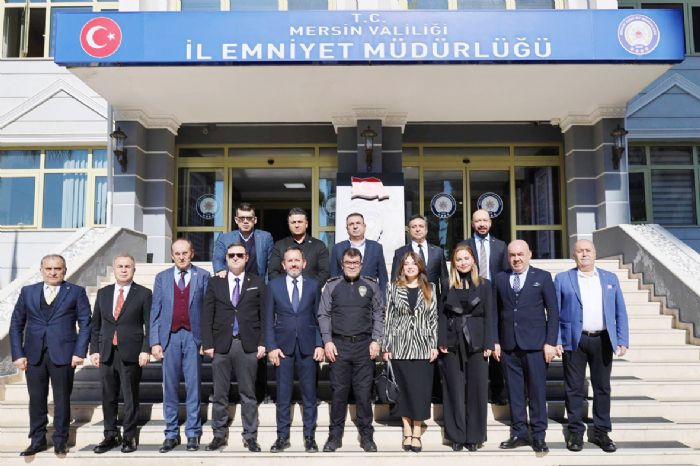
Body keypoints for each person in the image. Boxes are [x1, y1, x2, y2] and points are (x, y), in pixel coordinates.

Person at [10, 254, 91, 456]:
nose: (53, 272)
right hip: (33, 354)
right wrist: (18, 354)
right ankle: (37, 439)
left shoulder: (76, 292)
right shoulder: (28, 291)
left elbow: (85, 323)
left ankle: (60, 440)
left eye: (57, 269)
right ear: (41, 270)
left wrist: (79, 351)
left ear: (64, 270)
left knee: (62, 398)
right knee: (36, 398)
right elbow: (16, 324)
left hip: (64, 354)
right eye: (49, 269)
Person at [555, 239, 629, 453]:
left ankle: (601, 432)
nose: (584, 254)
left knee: (602, 387)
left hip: (603, 339)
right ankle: (575, 432)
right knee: (573, 387)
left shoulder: (610, 278)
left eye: (588, 250)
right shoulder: (562, 279)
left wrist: (622, 338)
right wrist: (557, 340)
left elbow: (620, 311)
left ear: (595, 254)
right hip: (574, 340)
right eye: (579, 251)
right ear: (573, 255)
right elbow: (555, 312)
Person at [493, 239, 559, 453]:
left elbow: (553, 312)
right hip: (509, 346)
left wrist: (550, 342)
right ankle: (519, 433)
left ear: (529, 254)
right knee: (514, 392)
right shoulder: (500, 279)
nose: (516, 259)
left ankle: (538, 435)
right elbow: (494, 313)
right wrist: (495, 341)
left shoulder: (542, 277)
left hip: (536, 346)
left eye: (520, 254)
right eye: (512, 255)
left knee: (537, 392)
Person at [318, 247, 385, 453]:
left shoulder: (371, 285)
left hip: (364, 346)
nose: (352, 266)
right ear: (342, 264)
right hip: (339, 347)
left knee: (364, 394)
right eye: (348, 263)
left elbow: (379, 313)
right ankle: (334, 437)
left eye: (355, 263)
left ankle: (367, 437)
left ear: (361, 264)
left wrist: (376, 340)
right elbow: (324, 314)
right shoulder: (332, 286)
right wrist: (327, 341)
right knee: (339, 393)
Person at [201, 242, 266, 452]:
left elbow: (265, 315)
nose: (235, 258)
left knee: (249, 394)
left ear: (247, 258)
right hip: (221, 345)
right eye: (231, 255)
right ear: (226, 259)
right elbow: (207, 315)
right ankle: (218, 435)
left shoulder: (257, 281)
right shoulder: (215, 282)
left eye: (239, 254)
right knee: (220, 394)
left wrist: (263, 343)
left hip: (247, 345)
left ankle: (250, 436)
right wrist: (207, 343)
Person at [150, 239, 209, 453]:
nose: (181, 257)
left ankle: (193, 433)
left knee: (193, 386)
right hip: (170, 337)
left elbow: (208, 310)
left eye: (185, 253)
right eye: (177, 253)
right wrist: (154, 341)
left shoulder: (203, 275)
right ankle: (171, 434)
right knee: (170, 387)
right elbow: (155, 311)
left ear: (192, 253)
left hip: (194, 337)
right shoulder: (162, 277)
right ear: (172, 255)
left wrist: (206, 340)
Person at [264, 246, 324, 453]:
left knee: (310, 394)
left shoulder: (314, 285)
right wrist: (271, 347)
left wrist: (319, 344)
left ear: (304, 263)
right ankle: (282, 437)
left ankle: (310, 437)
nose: (294, 264)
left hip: (308, 346)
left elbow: (319, 317)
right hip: (282, 347)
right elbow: (268, 319)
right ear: (283, 264)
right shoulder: (274, 286)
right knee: (283, 394)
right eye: (289, 260)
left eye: (297, 260)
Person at [90, 254, 152, 454]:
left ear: (134, 269)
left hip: (131, 352)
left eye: (127, 266)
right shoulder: (103, 293)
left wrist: (145, 349)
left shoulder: (144, 293)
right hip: (107, 352)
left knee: (130, 395)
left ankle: (129, 436)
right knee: (108, 395)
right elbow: (95, 325)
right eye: (120, 266)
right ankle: (110, 435)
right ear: (114, 269)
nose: (124, 270)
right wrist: (94, 350)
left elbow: (150, 325)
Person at [437, 244, 493, 452]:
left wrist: (489, 342)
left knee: (477, 388)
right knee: (453, 388)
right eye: (458, 259)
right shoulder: (446, 284)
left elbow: (490, 314)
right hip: (452, 340)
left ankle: (475, 436)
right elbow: (442, 314)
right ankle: (456, 436)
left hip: (477, 339)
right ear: (454, 263)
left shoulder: (485, 285)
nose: (462, 263)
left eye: (466, 258)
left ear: (473, 261)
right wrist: (441, 339)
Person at [382, 251, 438, 453]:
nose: (410, 266)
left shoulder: (430, 288)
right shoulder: (392, 288)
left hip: (423, 348)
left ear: (420, 266)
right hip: (400, 346)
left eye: (413, 263)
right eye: (406, 264)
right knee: (403, 390)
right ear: (402, 267)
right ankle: (406, 429)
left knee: (420, 391)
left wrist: (434, 345)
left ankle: (417, 431)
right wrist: (386, 346)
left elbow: (433, 319)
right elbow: (388, 318)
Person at [461, 208, 509, 405]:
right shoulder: (464, 245)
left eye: (485, 220)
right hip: (470, 300)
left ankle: (497, 391)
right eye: (478, 221)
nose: (481, 224)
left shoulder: (501, 245)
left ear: (490, 223)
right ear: (472, 224)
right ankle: (471, 392)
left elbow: (505, 273)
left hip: (494, 299)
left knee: (495, 342)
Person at [267, 207, 330, 284]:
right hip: (284, 290)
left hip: (311, 290)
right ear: (288, 225)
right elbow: (273, 272)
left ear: (306, 224)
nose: (297, 225)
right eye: (293, 222)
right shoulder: (279, 245)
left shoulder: (318, 245)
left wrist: (310, 287)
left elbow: (325, 272)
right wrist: (286, 287)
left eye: (300, 222)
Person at [212, 202, 274, 279]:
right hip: (233, 282)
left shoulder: (265, 237)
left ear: (255, 220)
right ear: (236, 220)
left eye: (249, 218)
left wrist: (267, 283)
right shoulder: (225, 238)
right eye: (242, 218)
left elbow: (271, 264)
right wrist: (220, 270)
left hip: (258, 282)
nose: (245, 221)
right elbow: (218, 259)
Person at [330, 212, 388, 292]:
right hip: (344, 295)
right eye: (351, 224)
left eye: (358, 223)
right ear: (347, 229)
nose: (355, 226)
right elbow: (333, 277)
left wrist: (382, 298)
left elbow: (383, 278)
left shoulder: (376, 247)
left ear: (364, 226)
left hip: (370, 295)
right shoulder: (337, 248)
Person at [391, 214, 448, 294]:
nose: (417, 229)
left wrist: (443, 301)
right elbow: (395, 280)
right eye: (413, 227)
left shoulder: (438, 252)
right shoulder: (400, 252)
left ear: (426, 229)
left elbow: (445, 280)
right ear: (409, 230)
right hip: (409, 298)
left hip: (433, 299)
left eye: (421, 226)